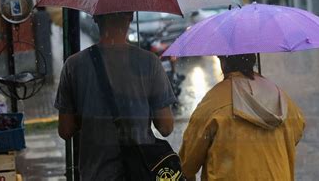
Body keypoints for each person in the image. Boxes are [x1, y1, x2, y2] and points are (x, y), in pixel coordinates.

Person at [55, 12, 176, 180]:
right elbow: (166, 127)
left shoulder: (74, 66)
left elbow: (65, 130)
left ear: (96, 18)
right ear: (131, 16)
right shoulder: (149, 62)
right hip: (139, 172)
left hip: (95, 174)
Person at [179, 54, 305, 180]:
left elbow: (187, 163)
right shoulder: (279, 96)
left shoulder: (214, 101)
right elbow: (297, 127)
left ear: (223, 63)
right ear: (253, 60)